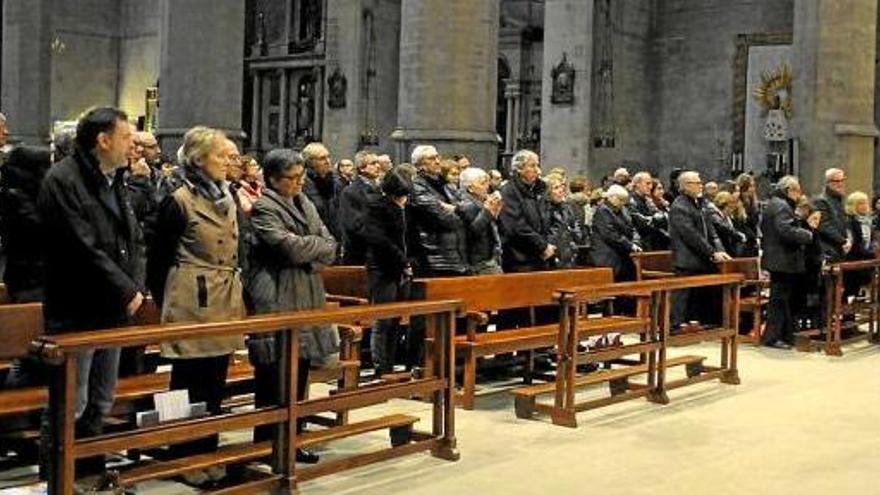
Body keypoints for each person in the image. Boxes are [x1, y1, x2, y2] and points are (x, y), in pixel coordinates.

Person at [39, 107, 145, 480]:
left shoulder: (113, 177)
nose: (133, 145)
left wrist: (136, 286)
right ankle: (59, 480)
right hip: (76, 308)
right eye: (127, 137)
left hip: (111, 309)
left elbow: (131, 238)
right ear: (103, 140)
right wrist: (126, 289)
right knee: (72, 402)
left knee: (101, 400)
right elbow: (79, 247)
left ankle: (89, 474)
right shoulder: (63, 179)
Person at [146, 127, 245, 486]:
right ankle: (180, 456)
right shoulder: (178, 200)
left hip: (223, 298)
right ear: (200, 160)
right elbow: (157, 261)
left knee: (214, 381)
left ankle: (207, 450)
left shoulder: (228, 197)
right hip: (190, 299)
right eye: (221, 155)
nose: (228, 161)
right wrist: (168, 302)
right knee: (185, 381)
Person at [247, 148, 338, 464]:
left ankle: (295, 436)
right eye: (293, 178)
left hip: (308, 292)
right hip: (278, 295)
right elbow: (289, 249)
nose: (301, 182)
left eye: (302, 176)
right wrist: (313, 248)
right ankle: (269, 444)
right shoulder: (264, 207)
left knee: (299, 370)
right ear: (273, 179)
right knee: (274, 373)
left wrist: (310, 249)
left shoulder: (306, 202)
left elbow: (331, 246)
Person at [362, 168, 414, 376]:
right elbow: (378, 239)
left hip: (402, 267)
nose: (403, 198)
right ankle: (381, 366)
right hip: (382, 267)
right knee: (383, 318)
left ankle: (391, 362)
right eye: (400, 194)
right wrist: (403, 260)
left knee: (395, 319)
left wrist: (409, 262)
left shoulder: (405, 207)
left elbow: (408, 238)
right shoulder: (377, 207)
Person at [761, 176, 819, 348]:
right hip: (782, 260)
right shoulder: (781, 206)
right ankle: (773, 337)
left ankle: (784, 335)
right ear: (789, 190)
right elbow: (785, 230)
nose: (800, 194)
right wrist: (808, 233)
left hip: (779, 259)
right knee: (778, 300)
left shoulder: (777, 203)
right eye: (797, 190)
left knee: (782, 299)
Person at [668, 171, 730, 330]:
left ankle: (694, 322)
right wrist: (711, 252)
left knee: (696, 295)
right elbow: (691, 235)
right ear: (686, 186)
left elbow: (710, 231)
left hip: (699, 257)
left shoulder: (699, 204)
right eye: (697, 182)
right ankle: (677, 325)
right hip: (686, 257)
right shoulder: (679, 206)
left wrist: (719, 250)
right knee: (683, 294)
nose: (701, 185)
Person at [408, 145, 468, 277]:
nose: (437, 161)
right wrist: (461, 212)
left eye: (437, 157)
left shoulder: (444, 184)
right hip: (435, 258)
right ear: (419, 165)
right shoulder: (417, 187)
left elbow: (468, 206)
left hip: (456, 255)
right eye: (431, 158)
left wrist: (455, 209)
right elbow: (445, 219)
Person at [499, 149, 553, 272]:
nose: (538, 170)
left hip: (540, 255)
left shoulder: (539, 190)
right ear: (519, 169)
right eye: (532, 166)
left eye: (537, 165)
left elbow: (547, 218)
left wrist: (548, 245)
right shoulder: (508, 191)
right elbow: (516, 226)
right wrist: (542, 246)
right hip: (518, 258)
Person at [456, 167, 503, 274]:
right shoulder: (467, 205)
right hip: (479, 263)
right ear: (470, 188)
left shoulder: (481, 202)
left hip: (489, 258)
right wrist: (488, 212)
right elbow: (472, 233)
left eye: (487, 182)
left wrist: (495, 213)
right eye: (482, 183)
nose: (487, 187)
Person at [339, 150, 382, 264]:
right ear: (361, 168)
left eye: (378, 162)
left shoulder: (381, 189)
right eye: (373, 163)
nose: (378, 166)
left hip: (380, 252)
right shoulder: (351, 192)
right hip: (361, 254)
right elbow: (355, 225)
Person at [591, 184, 641, 281]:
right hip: (608, 256)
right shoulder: (603, 211)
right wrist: (630, 245)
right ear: (611, 197)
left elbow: (632, 227)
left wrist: (636, 241)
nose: (623, 203)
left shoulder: (622, 210)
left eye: (624, 200)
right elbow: (610, 234)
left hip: (622, 254)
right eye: (620, 199)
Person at [302, 142, 342, 243]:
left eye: (328, 157)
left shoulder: (335, 182)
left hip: (335, 237)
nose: (328, 161)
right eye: (322, 158)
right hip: (313, 240)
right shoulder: (302, 183)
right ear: (309, 162)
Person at [545, 174, 585, 268]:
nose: (560, 190)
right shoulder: (544, 209)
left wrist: (576, 238)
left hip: (569, 252)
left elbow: (575, 224)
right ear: (548, 191)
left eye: (562, 187)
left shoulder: (567, 207)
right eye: (556, 188)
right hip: (552, 254)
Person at [843, 191, 876, 300]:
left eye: (866, 203)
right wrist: (872, 253)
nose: (865, 206)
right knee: (850, 291)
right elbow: (855, 244)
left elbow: (872, 240)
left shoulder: (869, 221)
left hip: (867, 260)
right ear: (853, 206)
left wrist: (874, 250)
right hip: (853, 260)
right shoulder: (849, 222)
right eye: (861, 203)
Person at [628, 171, 669, 250]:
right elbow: (642, 223)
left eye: (650, 184)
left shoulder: (648, 201)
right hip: (641, 243)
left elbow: (661, 218)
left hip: (653, 243)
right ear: (637, 184)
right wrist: (661, 218)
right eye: (647, 183)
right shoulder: (631, 201)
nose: (650, 187)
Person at [709, 191, 747, 257]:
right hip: (720, 251)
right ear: (724, 204)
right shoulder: (714, 216)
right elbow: (724, 228)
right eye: (730, 205)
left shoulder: (728, 218)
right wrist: (739, 235)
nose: (732, 209)